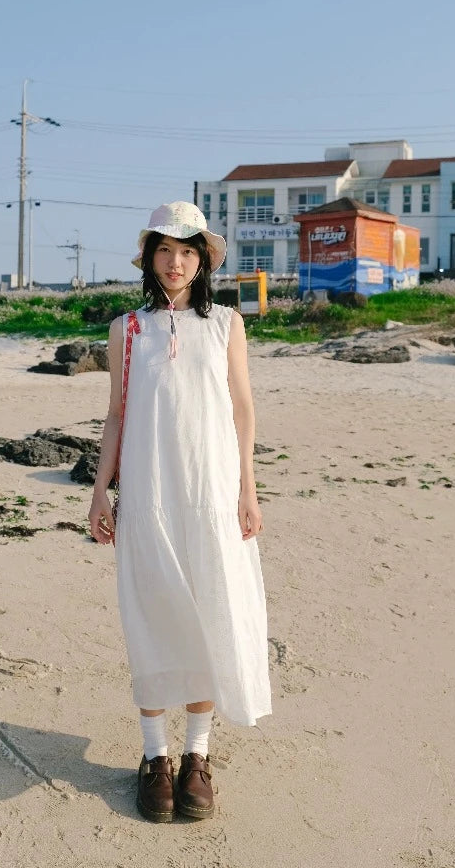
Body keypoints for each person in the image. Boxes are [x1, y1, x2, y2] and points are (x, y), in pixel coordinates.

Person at [88, 201, 272, 823]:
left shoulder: (225, 324)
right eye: (164, 250)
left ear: (203, 261)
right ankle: (154, 758)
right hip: (147, 494)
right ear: (148, 258)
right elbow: (116, 415)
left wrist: (247, 489)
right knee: (151, 615)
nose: (175, 262)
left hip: (213, 493)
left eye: (187, 251)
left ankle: (197, 757)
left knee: (206, 612)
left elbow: (242, 411)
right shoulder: (127, 329)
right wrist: (99, 491)